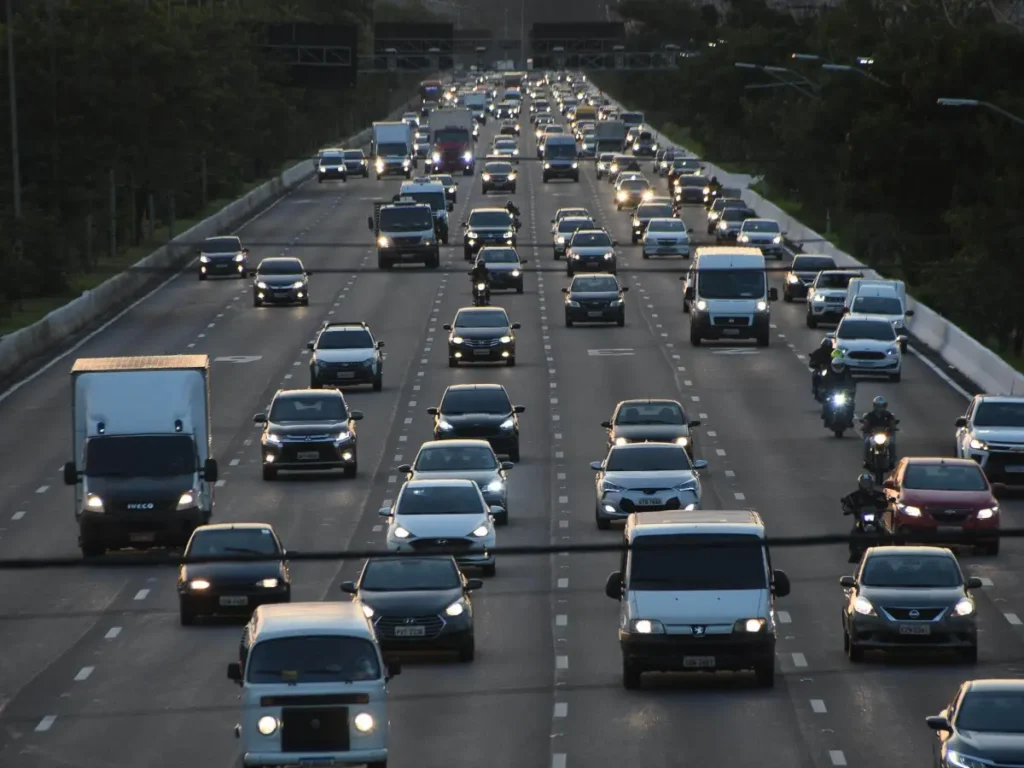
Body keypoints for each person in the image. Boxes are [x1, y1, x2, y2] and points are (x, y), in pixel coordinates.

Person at [841, 473, 888, 562]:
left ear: (871, 483)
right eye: (864, 483)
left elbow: (886, 503)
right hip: (860, 520)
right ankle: (854, 553)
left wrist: (888, 504)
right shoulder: (854, 496)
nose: (866, 486)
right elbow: (846, 503)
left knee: (885, 532)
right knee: (854, 532)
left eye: (867, 483)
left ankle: (886, 552)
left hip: (876, 519)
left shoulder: (878, 495)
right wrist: (846, 508)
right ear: (860, 484)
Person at [860, 395, 900, 467]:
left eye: (881, 405)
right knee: (867, 442)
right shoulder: (869, 415)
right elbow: (866, 424)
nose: (880, 408)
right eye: (878, 405)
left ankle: (892, 461)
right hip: (873, 435)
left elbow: (892, 423)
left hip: (885, 435)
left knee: (891, 443)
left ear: (885, 406)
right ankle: (867, 460)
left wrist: (893, 427)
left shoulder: (889, 415)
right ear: (874, 406)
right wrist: (864, 427)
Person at [820, 355, 855, 419]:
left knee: (850, 402)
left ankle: (850, 417)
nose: (838, 367)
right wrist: (824, 389)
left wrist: (851, 389)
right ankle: (825, 413)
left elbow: (851, 380)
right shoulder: (829, 370)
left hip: (843, 390)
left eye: (839, 365)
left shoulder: (847, 370)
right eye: (836, 365)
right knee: (827, 400)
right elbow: (824, 381)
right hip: (832, 390)